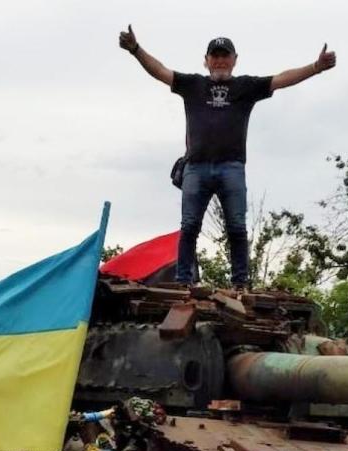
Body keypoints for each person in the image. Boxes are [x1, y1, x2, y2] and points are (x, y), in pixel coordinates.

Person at [118, 26, 336, 289]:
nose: (220, 60)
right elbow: (160, 71)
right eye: (215, 56)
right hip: (196, 167)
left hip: (231, 167)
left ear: (234, 60)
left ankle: (240, 283)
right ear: (206, 60)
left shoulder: (246, 87)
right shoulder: (192, 85)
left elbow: (281, 79)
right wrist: (135, 49)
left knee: (236, 227)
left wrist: (315, 67)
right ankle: (183, 281)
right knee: (189, 226)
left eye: (225, 56)